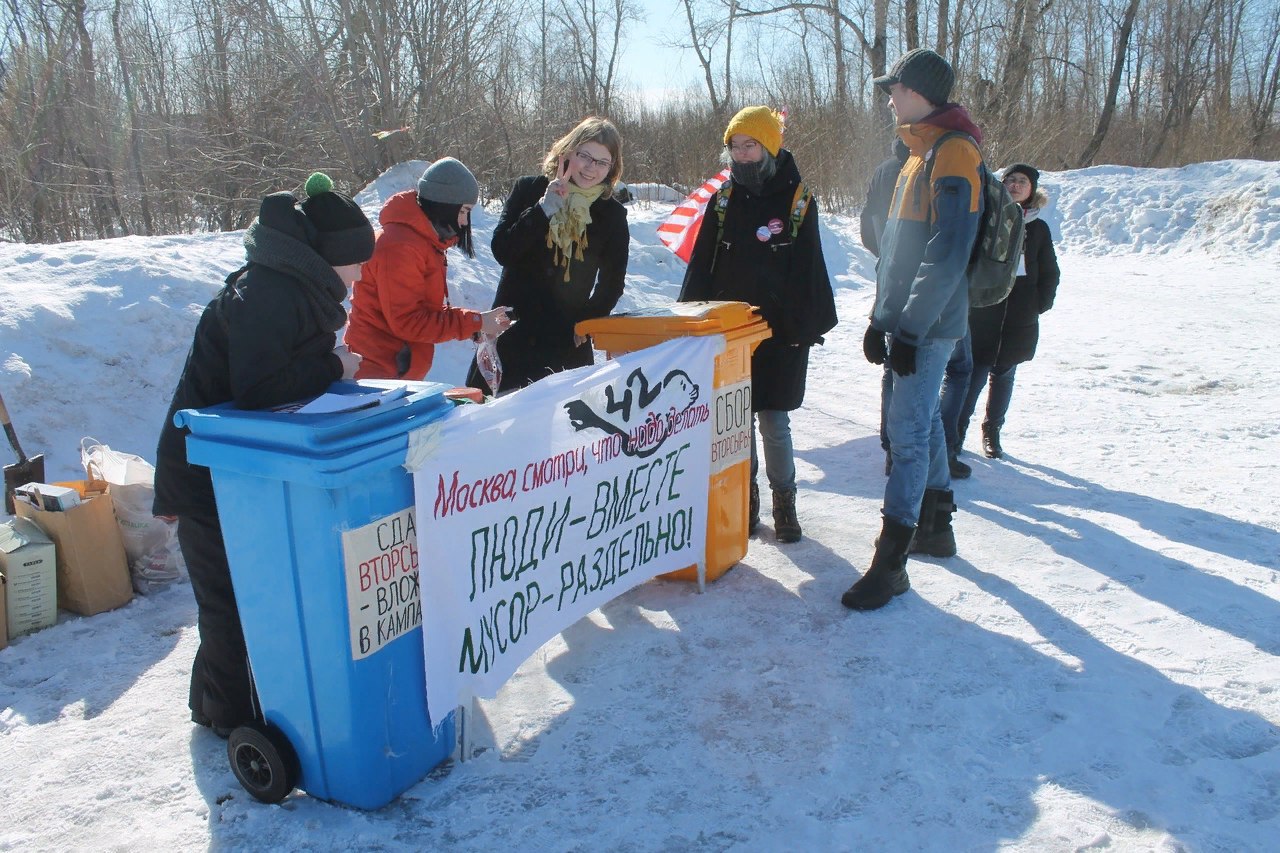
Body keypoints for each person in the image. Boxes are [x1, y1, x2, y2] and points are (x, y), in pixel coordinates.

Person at [153, 172, 375, 735]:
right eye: (356, 262)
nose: (359, 275)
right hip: (205, 470)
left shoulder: (291, 284)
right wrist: (334, 365)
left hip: (234, 465)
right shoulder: (271, 291)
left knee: (239, 594)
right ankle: (231, 723)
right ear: (328, 257)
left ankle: (215, 706)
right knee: (229, 601)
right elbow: (259, 387)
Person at [843, 49, 983, 610]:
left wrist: (910, 329)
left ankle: (891, 563)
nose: (889, 99)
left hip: (929, 323)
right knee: (920, 424)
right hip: (906, 320)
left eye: (894, 89)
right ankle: (936, 528)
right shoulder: (917, 154)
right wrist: (881, 321)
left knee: (905, 436)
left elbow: (948, 254)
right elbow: (897, 253)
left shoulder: (954, 153)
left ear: (918, 92)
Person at [679, 106, 837, 543]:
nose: (742, 154)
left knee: (774, 421)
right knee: (736, 421)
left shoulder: (798, 199)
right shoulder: (723, 199)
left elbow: (810, 266)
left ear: (769, 145)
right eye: (735, 146)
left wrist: (802, 328)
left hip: (781, 331)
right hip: (731, 331)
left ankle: (784, 502)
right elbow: (702, 263)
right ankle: (744, 500)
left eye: (750, 145)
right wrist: (690, 319)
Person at [465, 117, 629, 394]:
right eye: (585, 156)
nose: (591, 168)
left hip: (565, 344)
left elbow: (612, 283)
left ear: (612, 168)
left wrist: (586, 323)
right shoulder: (530, 190)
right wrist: (544, 209)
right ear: (568, 151)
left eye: (602, 162)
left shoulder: (611, 214)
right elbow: (503, 250)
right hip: (512, 335)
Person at [861, 139, 974, 481]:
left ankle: (899, 454)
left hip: (895, 287)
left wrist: (891, 262)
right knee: (952, 373)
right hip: (938, 299)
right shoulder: (943, 161)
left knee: (898, 375)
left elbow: (871, 230)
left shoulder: (888, 170)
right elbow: (957, 244)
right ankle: (937, 457)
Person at [346, 157, 512, 380]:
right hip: (377, 376)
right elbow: (409, 321)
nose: (464, 222)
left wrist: (476, 326)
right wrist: (477, 322)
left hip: (395, 371)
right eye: (463, 211)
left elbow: (423, 309)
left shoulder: (422, 242)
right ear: (445, 205)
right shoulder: (399, 247)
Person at [956, 163, 1060, 460]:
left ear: (1032, 189)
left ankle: (992, 431)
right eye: (1010, 180)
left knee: (1004, 373)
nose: (1015, 185)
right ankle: (956, 431)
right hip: (985, 306)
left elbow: (1050, 270)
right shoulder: (987, 218)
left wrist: (1039, 303)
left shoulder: (1038, 228)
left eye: (1022, 181)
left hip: (1020, 311)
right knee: (974, 372)